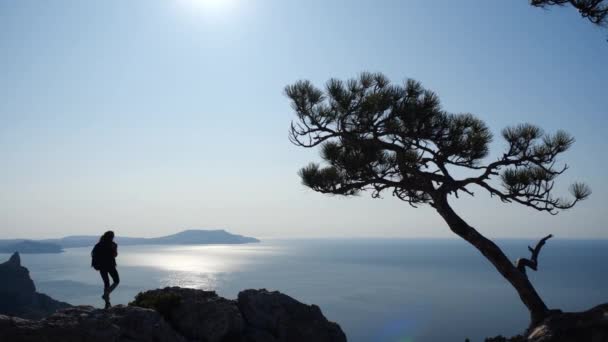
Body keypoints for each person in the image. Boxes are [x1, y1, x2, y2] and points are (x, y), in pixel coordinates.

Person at [91, 230, 120, 309]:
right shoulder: (113, 244)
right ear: (112, 237)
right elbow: (115, 255)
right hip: (111, 266)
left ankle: (107, 303)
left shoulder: (98, 245)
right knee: (116, 281)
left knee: (106, 283)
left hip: (101, 267)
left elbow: (93, 254)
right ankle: (106, 295)